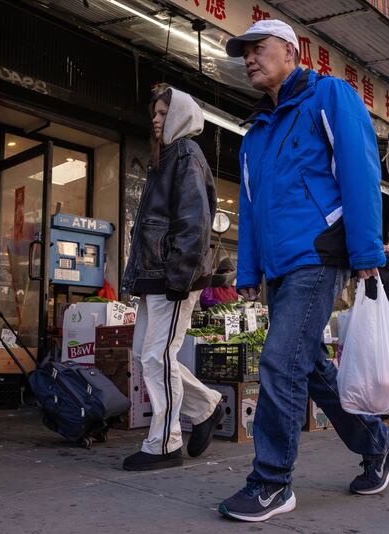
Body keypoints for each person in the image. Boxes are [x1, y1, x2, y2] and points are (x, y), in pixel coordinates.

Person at [218, 19, 389, 522]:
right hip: (281, 265)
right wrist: (248, 271)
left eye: (257, 49)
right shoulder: (255, 134)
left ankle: (272, 482)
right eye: (244, 54)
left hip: (321, 254)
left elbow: (360, 170)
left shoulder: (331, 96)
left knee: (280, 363)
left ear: (290, 49)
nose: (250, 60)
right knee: (311, 366)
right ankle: (381, 445)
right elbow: (253, 207)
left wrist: (368, 252)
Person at [120, 84, 224, 470]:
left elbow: (194, 223)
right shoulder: (167, 158)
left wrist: (179, 277)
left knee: (156, 356)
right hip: (156, 275)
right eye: (155, 114)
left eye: (163, 113)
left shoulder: (186, 155)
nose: (156, 119)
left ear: (180, 114)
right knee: (145, 355)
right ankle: (207, 406)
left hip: (170, 277)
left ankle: (164, 443)